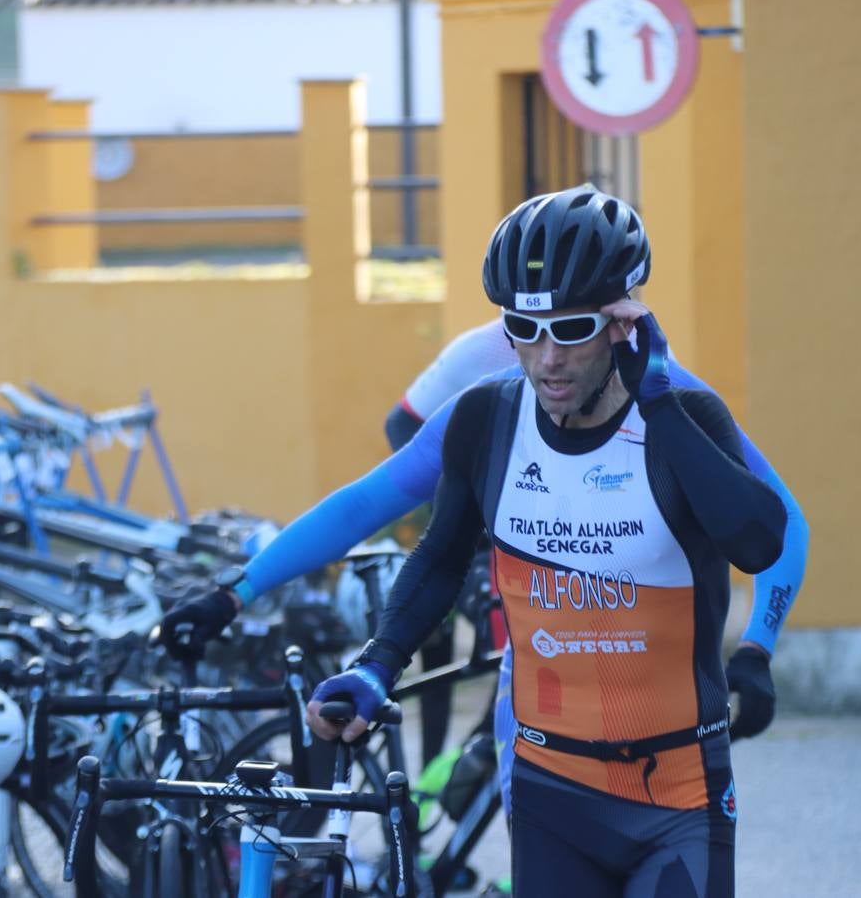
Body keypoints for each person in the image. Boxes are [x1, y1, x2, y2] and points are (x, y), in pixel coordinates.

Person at [306, 186, 787, 896]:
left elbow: (759, 541)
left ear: (623, 319)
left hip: (677, 793)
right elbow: (439, 558)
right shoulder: (486, 420)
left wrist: (657, 399)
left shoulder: (683, 417)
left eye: (571, 329)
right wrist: (378, 664)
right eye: (524, 331)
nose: (547, 358)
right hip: (550, 791)